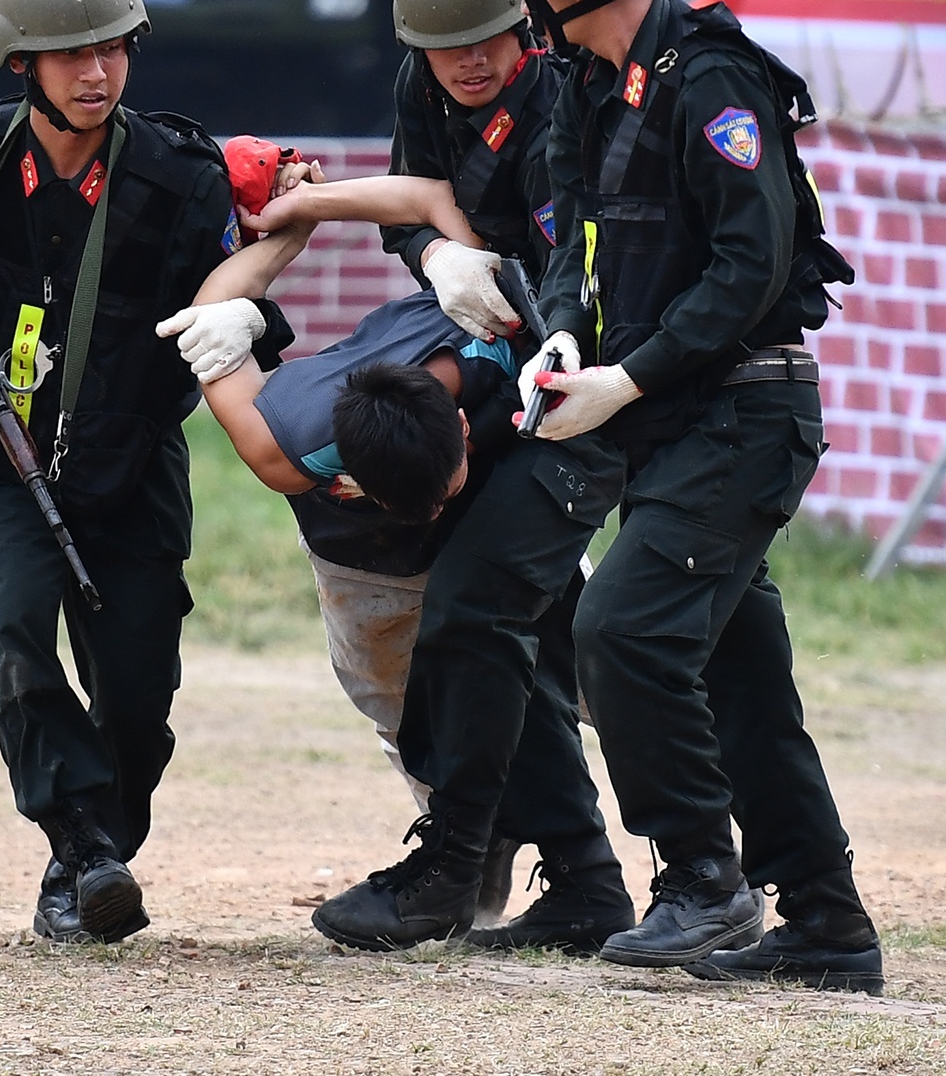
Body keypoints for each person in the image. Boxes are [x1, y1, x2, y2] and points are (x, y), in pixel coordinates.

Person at [483, 0, 879, 992]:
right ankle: (825, 924)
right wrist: (561, 336)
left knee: (616, 630)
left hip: (742, 411)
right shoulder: (579, 85)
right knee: (740, 681)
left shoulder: (711, 81)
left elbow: (750, 269)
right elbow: (571, 238)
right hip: (668, 419)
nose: (515, 8)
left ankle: (701, 880)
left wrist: (630, 375)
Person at [227, 0, 634, 954]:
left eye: (483, 41)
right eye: (438, 45)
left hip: (570, 379)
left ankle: (467, 863)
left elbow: (576, 267)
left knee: (495, 620)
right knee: (486, 630)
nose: (462, 63)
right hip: (481, 349)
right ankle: (573, 877)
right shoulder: (427, 82)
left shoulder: (562, 103)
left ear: (528, 28)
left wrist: (518, 310)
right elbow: (417, 209)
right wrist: (436, 260)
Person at [0, 0, 291, 945]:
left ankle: (98, 846)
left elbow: (233, 287)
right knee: (17, 630)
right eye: (68, 54)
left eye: (111, 47)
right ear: (22, 63)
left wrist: (250, 313)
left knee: (139, 696)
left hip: (129, 459)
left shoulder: (174, 174)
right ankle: (77, 849)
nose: (95, 71)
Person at [184, 170, 634, 951]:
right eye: (412, 502)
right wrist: (275, 246)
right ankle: (472, 835)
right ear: (347, 479)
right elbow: (207, 316)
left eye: (441, 488)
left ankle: (675, 853)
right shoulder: (285, 441)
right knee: (413, 716)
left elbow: (429, 197)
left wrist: (314, 203)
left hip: (505, 492)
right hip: (363, 566)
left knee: (566, 661)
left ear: (462, 424)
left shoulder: (494, 335)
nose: (431, 508)